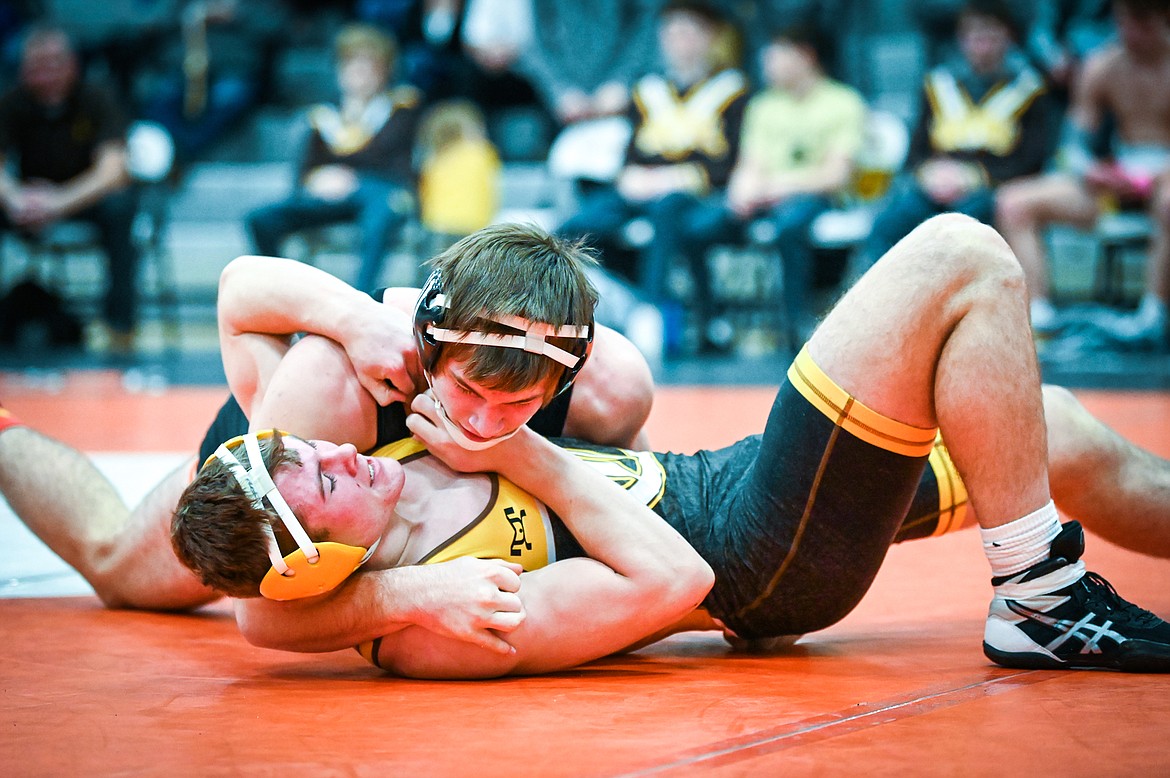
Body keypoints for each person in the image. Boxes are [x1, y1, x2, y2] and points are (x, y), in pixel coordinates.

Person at [169, 213, 1170, 678]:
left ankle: (1039, 577)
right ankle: (1041, 600)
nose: (335, 454)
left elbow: (251, 307)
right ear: (320, 560)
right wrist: (517, 461)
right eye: (313, 478)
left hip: (743, 483)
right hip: (758, 549)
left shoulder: (417, 448)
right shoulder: (445, 612)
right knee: (960, 254)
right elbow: (678, 578)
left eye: (310, 452)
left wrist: (373, 318)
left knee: (1057, 427)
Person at [0, 223, 655, 652]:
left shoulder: (610, 387)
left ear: (562, 379)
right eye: (468, 394)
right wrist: (415, 595)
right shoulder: (334, 387)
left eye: (518, 404)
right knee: (119, 567)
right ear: (427, 350)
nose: (483, 426)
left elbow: (641, 494)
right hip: (301, 467)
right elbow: (258, 613)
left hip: (375, 483)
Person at [558, 0, 749, 353]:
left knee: (669, 210)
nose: (678, 41)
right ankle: (604, 303)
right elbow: (631, 153)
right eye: (671, 32)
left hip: (693, 193)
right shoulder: (647, 90)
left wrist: (672, 179)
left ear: (709, 37)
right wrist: (630, 176)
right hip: (642, 187)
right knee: (576, 225)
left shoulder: (732, 90)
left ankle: (652, 307)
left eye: (687, 31)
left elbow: (728, 164)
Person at [995, 0, 1170, 342]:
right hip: (1119, 177)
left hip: (1164, 181)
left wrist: (1157, 175)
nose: (1129, 32)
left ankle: (1153, 316)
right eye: (1123, 21)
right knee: (1013, 202)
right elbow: (1073, 145)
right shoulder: (1102, 66)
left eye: (1140, 21)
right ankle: (1040, 320)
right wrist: (1090, 170)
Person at [857, 0, 1055, 274]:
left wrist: (974, 176)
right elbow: (915, 154)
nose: (982, 44)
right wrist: (929, 173)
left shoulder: (1029, 88)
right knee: (887, 225)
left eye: (990, 35)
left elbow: (1033, 161)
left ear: (1007, 38)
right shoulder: (937, 85)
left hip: (990, 186)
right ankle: (880, 305)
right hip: (937, 183)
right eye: (974, 35)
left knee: (956, 227)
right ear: (961, 39)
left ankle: (945, 305)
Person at [712, 23, 868, 346]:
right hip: (766, 196)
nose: (766, 61)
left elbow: (835, 175)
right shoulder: (764, 105)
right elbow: (749, 164)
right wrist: (740, 189)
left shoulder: (843, 102)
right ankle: (710, 323)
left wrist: (776, 187)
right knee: (700, 227)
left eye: (776, 53)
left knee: (789, 226)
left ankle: (796, 326)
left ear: (805, 55)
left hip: (819, 197)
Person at [244, 23, 421, 293]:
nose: (359, 73)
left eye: (368, 65)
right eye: (352, 64)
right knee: (261, 219)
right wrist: (317, 179)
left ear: (384, 70)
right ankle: (284, 294)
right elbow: (305, 170)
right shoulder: (324, 116)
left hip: (380, 193)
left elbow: (391, 163)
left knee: (382, 213)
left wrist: (349, 175)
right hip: (333, 196)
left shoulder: (401, 108)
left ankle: (361, 298)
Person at [0, 25, 141, 353]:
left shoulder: (97, 98)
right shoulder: (12, 102)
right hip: (28, 200)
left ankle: (119, 326)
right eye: (36, 67)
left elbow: (112, 171)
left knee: (121, 206)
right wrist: (14, 198)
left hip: (83, 198)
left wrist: (58, 203)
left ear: (71, 64)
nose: (45, 75)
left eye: (53, 64)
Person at [139, 0, 287, 165]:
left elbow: (277, 26)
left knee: (228, 97)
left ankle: (184, 150)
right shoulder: (179, 4)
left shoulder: (252, 6)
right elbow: (150, 24)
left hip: (233, 67)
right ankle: (178, 147)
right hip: (181, 69)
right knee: (159, 97)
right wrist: (187, 15)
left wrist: (238, 15)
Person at [414, 99, 500, 239]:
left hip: (437, 224)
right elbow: (490, 190)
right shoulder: (482, 152)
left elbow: (425, 194)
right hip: (472, 226)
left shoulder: (433, 158)